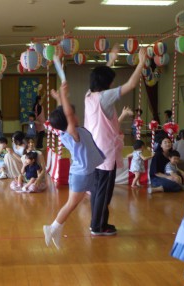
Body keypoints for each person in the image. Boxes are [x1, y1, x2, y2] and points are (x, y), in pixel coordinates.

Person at [83, 45, 146, 235]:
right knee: (104, 191)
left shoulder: (89, 95)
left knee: (98, 189)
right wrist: (142, 63)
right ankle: (97, 226)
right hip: (105, 151)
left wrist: (110, 60)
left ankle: (99, 223)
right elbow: (131, 85)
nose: (112, 84)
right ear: (106, 84)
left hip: (94, 149)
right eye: (110, 81)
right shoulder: (105, 96)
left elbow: (100, 77)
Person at [43, 81, 105, 249]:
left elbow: (64, 116)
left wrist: (58, 98)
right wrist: (63, 95)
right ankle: (53, 228)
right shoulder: (72, 133)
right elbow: (68, 115)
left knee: (85, 199)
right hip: (82, 174)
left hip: (84, 172)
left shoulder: (66, 131)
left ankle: (56, 230)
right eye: (73, 115)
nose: (76, 116)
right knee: (71, 205)